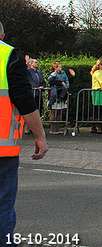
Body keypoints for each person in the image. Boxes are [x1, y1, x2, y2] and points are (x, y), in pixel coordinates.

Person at [0, 21, 48, 246]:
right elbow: (23, 100)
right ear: (1, 33)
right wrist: (40, 135)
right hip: (2, 148)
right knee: (2, 205)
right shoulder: (8, 55)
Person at [47, 61, 75, 135]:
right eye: (59, 66)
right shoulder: (52, 73)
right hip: (55, 92)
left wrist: (71, 78)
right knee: (53, 112)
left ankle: (57, 129)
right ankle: (52, 129)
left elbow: (67, 80)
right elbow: (50, 82)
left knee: (59, 112)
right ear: (55, 67)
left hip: (61, 92)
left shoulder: (63, 73)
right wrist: (59, 82)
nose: (61, 68)